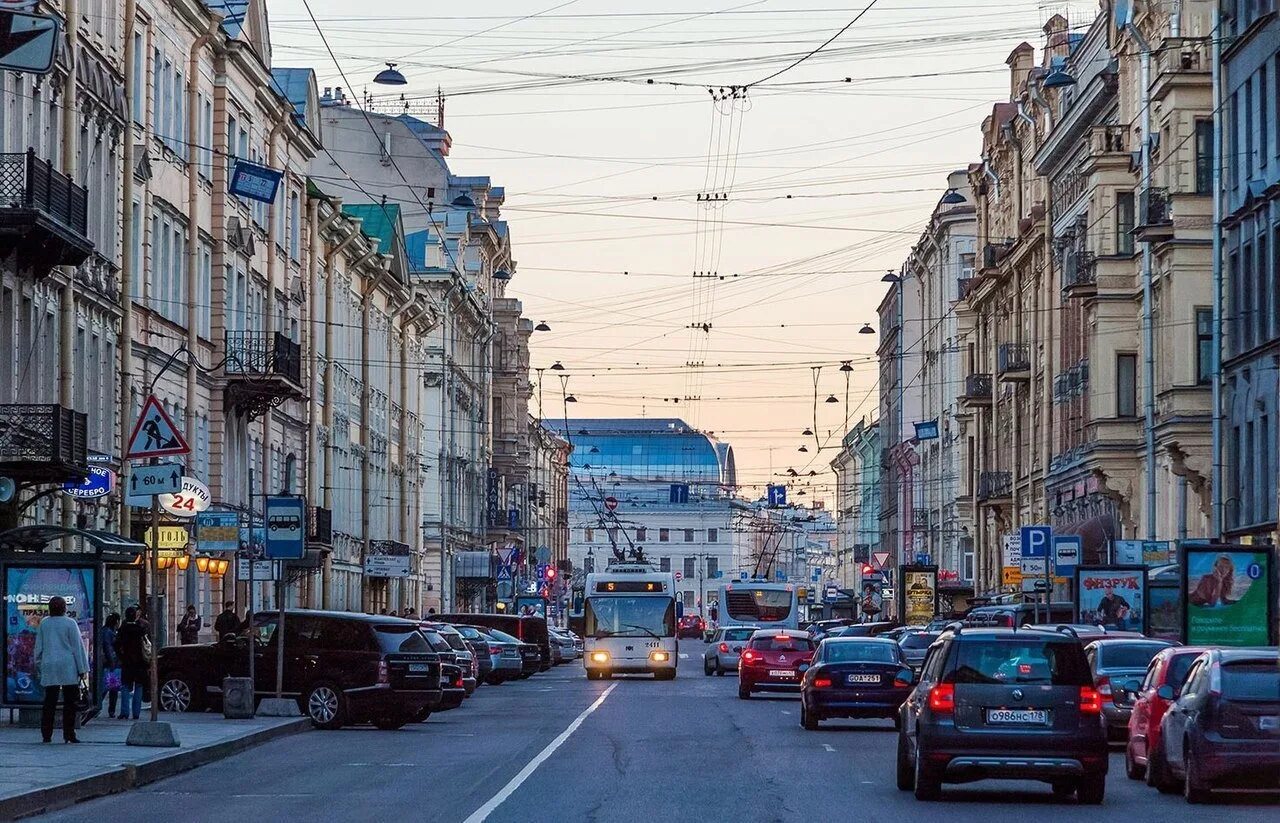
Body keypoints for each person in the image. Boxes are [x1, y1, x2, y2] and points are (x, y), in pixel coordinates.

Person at [35, 597, 89, 743]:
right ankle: (69, 734)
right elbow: (77, 647)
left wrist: (39, 665)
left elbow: (38, 648)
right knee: (70, 702)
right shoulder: (70, 623)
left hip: (49, 665)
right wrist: (82, 668)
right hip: (68, 666)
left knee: (49, 702)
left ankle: (46, 734)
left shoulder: (44, 624)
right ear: (64, 608)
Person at [114, 606, 149, 720]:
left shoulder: (122, 629)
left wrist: (121, 656)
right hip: (140, 662)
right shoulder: (140, 629)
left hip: (127, 662)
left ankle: (124, 712)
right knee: (138, 686)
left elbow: (116, 645)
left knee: (125, 686)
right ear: (135, 616)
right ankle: (136, 713)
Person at [101, 613, 122, 718]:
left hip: (108, 663)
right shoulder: (109, 633)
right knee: (111, 688)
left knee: (106, 687)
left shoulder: (104, 630)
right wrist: (113, 663)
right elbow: (109, 649)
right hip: (112, 663)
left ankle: (107, 709)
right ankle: (111, 710)